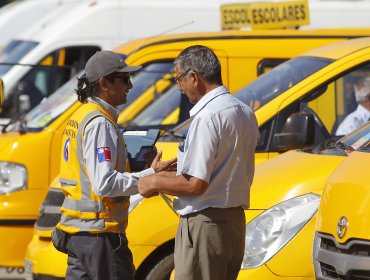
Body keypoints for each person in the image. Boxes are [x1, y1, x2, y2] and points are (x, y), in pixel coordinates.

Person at [138, 45, 260, 280]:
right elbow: (219, 170)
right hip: (233, 223)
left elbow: (196, 184)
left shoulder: (207, 117)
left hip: (206, 224)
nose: (180, 87)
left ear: (194, 77)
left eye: (179, 79)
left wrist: (152, 181)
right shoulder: (244, 111)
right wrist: (169, 173)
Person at [53, 50, 175, 280]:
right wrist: (151, 175)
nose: (130, 85)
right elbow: (105, 184)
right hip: (99, 234)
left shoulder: (82, 116)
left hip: (78, 233)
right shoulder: (100, 123)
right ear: (104, 83)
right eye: (124, 79)